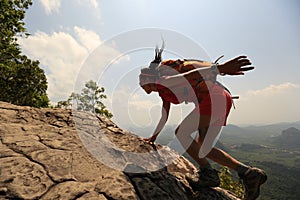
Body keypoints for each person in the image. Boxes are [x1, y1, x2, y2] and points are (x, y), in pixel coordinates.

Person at [139, 47, 267, 200]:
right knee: (204, 149)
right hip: (218, 99)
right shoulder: (163, 92)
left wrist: (219, 68)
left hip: (213, 99)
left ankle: (207, 173)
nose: (140, 84)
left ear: (148, 79)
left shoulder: (162, 82)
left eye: (141, 81)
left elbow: (189, 75)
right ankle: (248, 173)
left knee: (181, 132)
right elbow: (164, 115)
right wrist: (154, 137)